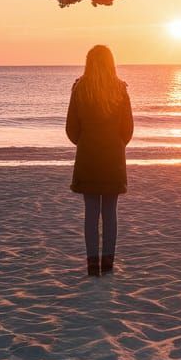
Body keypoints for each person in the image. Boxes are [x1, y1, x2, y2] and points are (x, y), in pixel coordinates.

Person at [65, 44, 134, 277]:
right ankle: (108, 264)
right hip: (112, 157)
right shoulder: (119, 89)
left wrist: (86, 143)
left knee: (91, 213)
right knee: (110, 213)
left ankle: (93, 265)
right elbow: (128, 129)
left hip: (88, 157)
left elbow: (71, 129)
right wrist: (115, 145)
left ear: (89, 63)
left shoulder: (80, 89)